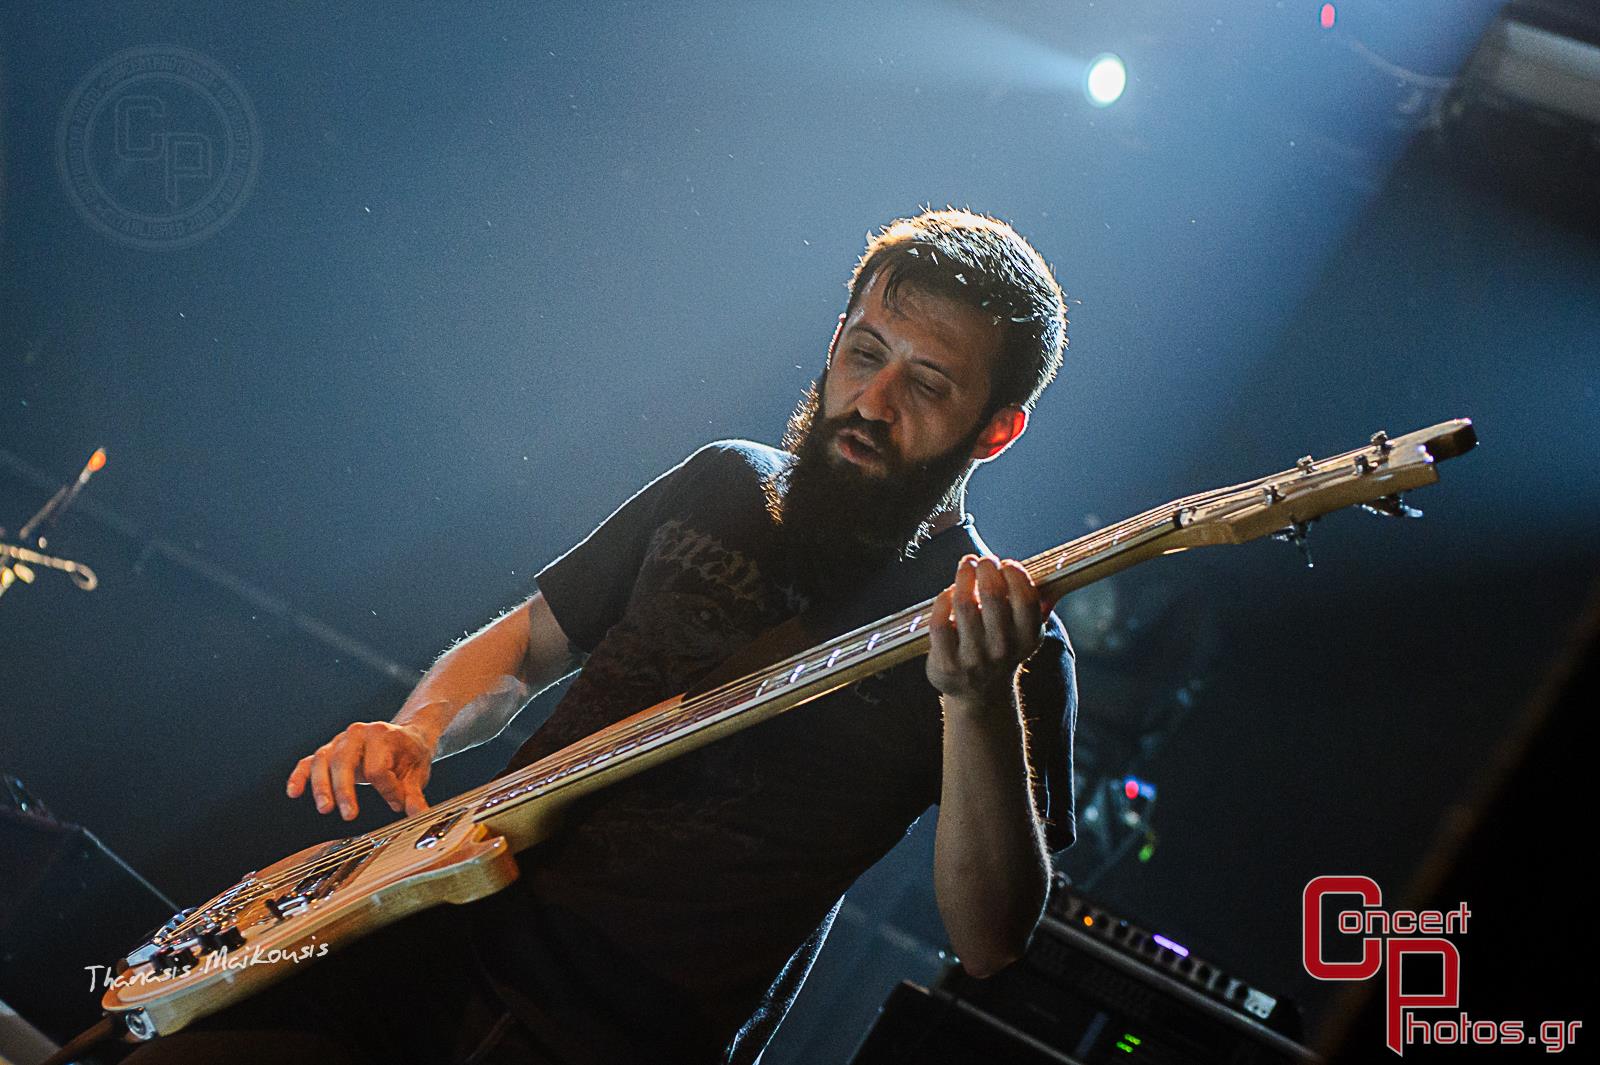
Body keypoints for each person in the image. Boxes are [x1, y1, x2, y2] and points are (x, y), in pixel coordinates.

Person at [123, 207, 1077, 1065]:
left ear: (996, 430)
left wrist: (978, 700)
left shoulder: (1005, 639)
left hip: (604, 1033)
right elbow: (530, 643)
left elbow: (992, 938)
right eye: (865, 353)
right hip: (430, 925)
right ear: (834, 342)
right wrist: (421, 727)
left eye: (928, 384)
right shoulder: (727, 480)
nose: (872, 400)